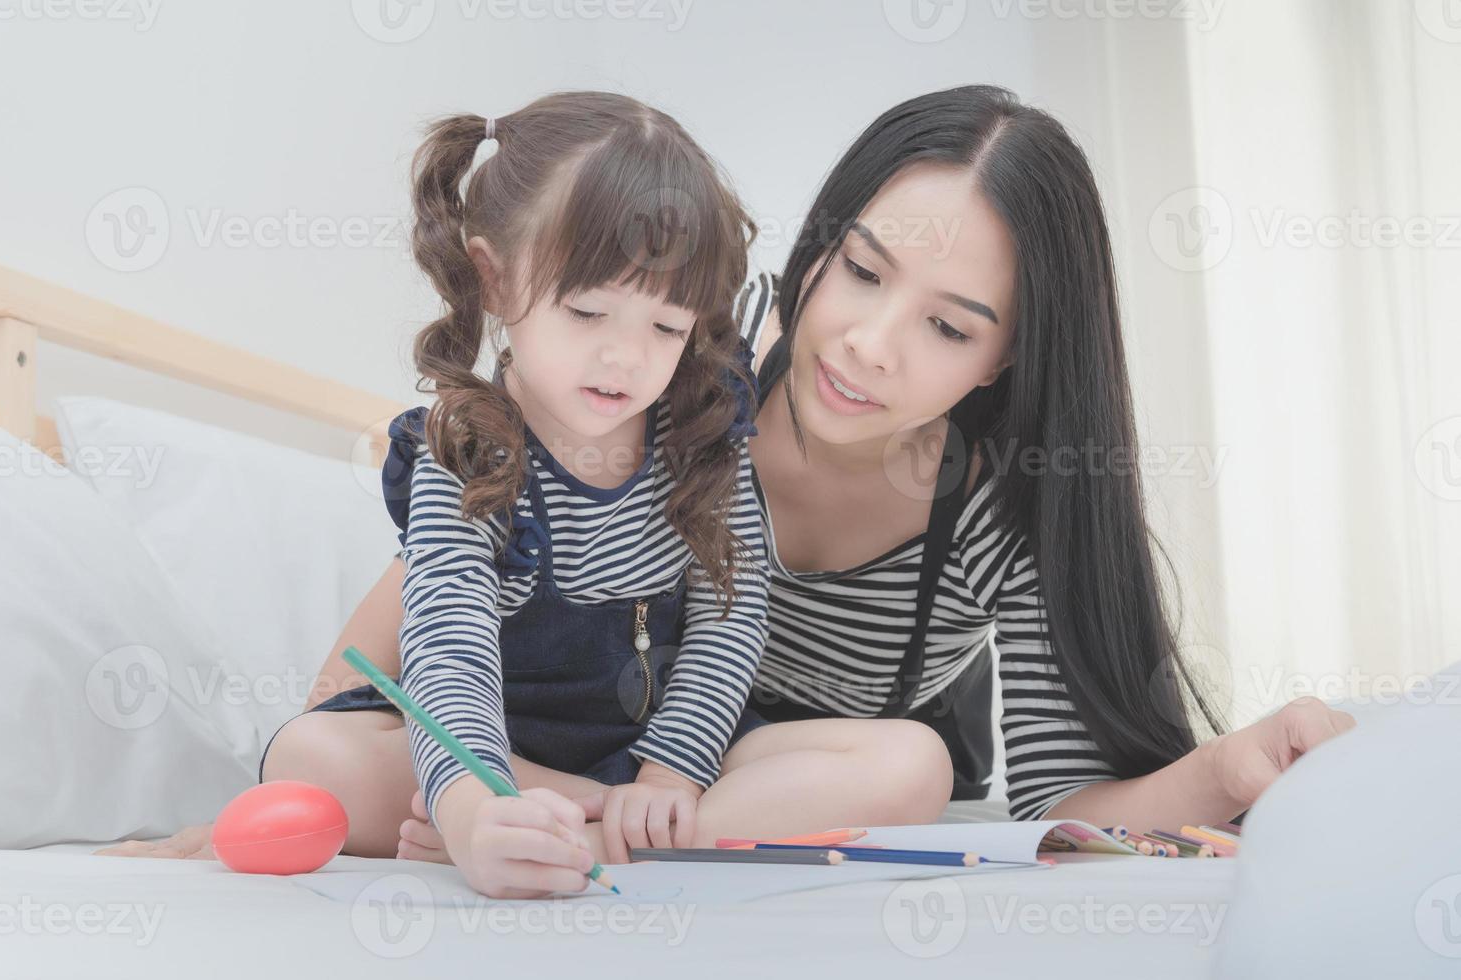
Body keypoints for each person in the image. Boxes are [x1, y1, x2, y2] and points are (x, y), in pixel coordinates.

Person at [99, 84, 1354, 877]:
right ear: (817, 248)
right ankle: (551, 811)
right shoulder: (674, 375)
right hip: (549, 748)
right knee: (326, 756)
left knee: (917, 765)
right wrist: (310, 772)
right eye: (860, 271)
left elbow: (1066, 806)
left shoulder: (995, 510)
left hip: (723, 784)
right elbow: (440, 595)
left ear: (1006, 357)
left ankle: (578, 818)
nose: (867, 342)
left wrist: (1228, 773)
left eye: (949, 326)